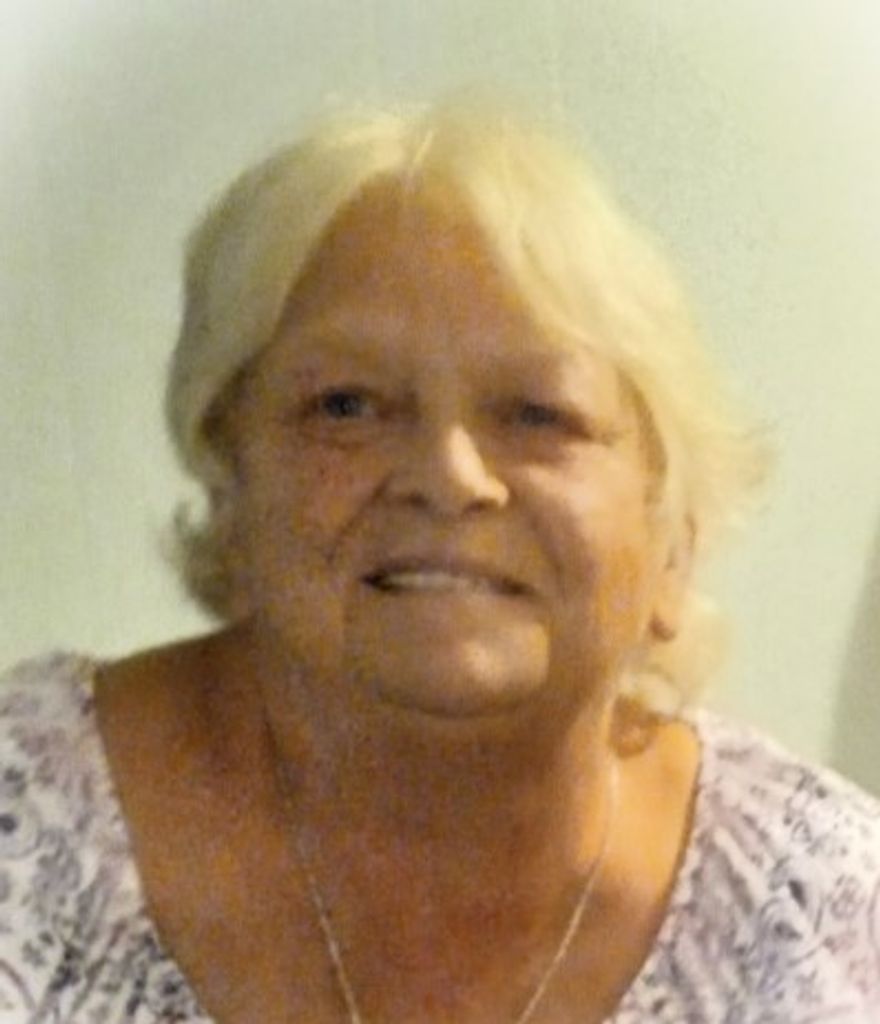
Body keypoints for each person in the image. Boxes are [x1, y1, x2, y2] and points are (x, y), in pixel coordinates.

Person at [1, 97, 878, 1024]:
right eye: (347, 406)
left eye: (538, 414)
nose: (449, 476)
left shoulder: (829, 915)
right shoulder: (27, 824)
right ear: (230, 488)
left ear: (674, 540)